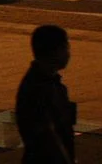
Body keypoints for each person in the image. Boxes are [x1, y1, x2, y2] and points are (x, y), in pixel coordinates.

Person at [15, 24, 76, 164]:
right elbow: (48, 136)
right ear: (55, 51)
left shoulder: (46, 82)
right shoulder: (41, 88)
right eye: (66, 48)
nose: (68, 53)